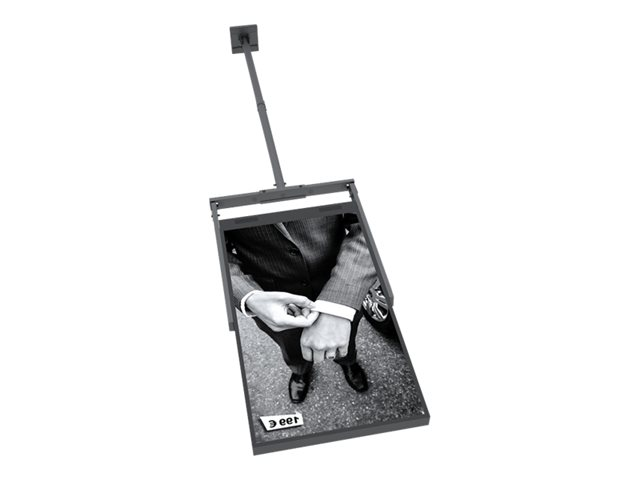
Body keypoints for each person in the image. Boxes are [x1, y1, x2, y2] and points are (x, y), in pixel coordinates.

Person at [226, 213, 377, 403]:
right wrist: (249, 296)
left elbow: (367, 222)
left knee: (347, 338)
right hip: (270, 292)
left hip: (339, 278)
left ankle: (347, 361)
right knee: (290, 346)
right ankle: (300, 371)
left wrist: (339, 302)